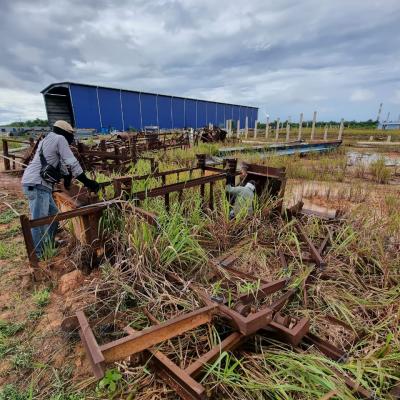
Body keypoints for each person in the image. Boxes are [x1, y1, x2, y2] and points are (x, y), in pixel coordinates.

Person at [21, 120, 99, 258]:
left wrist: (68, 178)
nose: (71, 139)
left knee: (54, 215)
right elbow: (72, 162)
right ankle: (38, 255)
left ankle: (48, 245)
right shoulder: (60, 138)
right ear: (65, 132)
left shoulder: (46, 140)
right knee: (40, 221)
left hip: (36, 183)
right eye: (71, 135)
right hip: (37, 184)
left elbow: (60, 163)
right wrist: (87, 182)